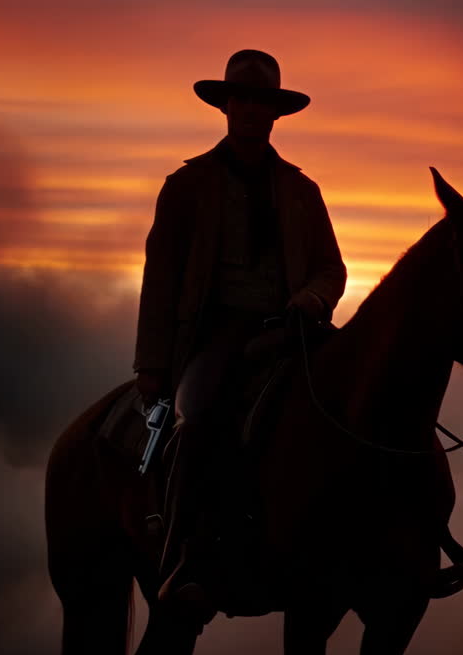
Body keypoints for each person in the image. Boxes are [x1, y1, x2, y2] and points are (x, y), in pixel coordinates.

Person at [133, 49, 347, 623]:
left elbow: (332, 267)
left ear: (276, 115)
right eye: (242, 100)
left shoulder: (303, 191)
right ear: (226, 107)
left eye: (262, 103)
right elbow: (161, 277)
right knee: (199, 417)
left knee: (356, 395)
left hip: (292, 327)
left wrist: (310, 300)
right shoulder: (188, 186)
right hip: (216, 332)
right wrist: (152, 363)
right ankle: (186, 557)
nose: (252, 111)